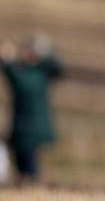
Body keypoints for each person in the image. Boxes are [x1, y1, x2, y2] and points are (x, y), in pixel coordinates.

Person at [1, 34, 64, 182]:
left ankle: (30, 184)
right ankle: (28, 184)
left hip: (29, 130)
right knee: (24, 165)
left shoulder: (39, 72)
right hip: (22, 129)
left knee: (29, 168)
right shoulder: (28, 72)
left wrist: (42, 51)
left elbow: (58, 67)